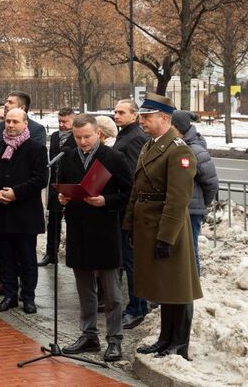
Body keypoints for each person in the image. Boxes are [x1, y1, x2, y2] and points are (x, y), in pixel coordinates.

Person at [124, 93, 202, 360]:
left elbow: (178, 199)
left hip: (169, 229)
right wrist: (129, 224)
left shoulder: (178, 149)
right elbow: (138, 188)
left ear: (164, 118)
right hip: (148, 225)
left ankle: (179, 343)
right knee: (163, 287)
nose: (141, 121)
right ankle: (164, 338)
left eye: (147, 117)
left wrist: (165, 237)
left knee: (177, 287)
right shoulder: (151, 145)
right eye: (142, 116)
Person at [57, 113, 133, 363]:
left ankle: (115, 339)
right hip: (79, 230)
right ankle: (89, 335)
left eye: (87, 136)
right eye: (78, 137)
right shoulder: (68, 157)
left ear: (97, 133)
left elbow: (129, 192)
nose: (82, 142)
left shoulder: (113, 157)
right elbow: (63, 184)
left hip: (105, 230)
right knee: (84, 289)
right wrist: (63, 197)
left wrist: (106, 201)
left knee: (111, 292)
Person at [0, 109, 48, 315]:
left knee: (27, 259)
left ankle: (28, 297)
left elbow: (41, 179)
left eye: (15, 121)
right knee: (6, 259)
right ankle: (10, 295)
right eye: (8, 121)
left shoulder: (37, 149)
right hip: (2, 213)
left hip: (25, 214)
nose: (10, 125)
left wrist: (16, 192)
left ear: (25, 124)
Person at [112, 99, 149, 329]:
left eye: (121, 112)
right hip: (121, 206)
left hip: (128, 208)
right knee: (125, 259)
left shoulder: (135, 137)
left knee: (131, 260)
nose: (116, 115)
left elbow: (135, 175)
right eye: (115, 111)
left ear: (135, 115)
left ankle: (137, 307)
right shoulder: (125, 133)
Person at [170, 111, 218, 273]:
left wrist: (202, 205)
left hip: (191, 211)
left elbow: (211, 183)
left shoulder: (194, 150)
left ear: (178, 128)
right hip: (182, 209)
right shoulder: (176, 145)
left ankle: (193, 287)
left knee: (190, 250)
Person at [40, 107, 75, 267]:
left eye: (65, 121)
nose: (61, 125)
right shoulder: (54, 136)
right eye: (59, 121)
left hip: (71, 183)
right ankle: (51, 253)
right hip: (55, 183)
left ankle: (72, 252)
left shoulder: (77, 136)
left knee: (72, 219)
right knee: (53, 220)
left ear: (73, 121)